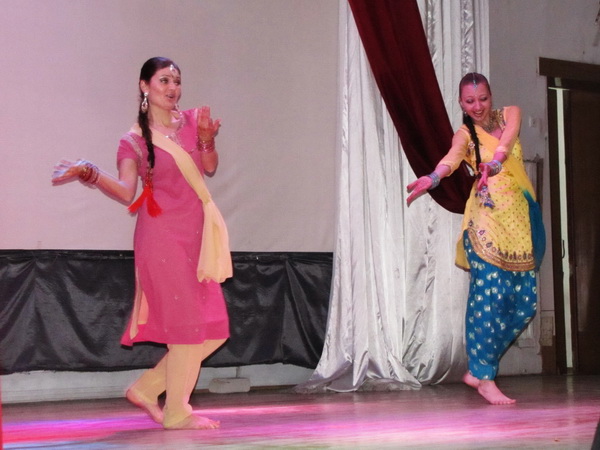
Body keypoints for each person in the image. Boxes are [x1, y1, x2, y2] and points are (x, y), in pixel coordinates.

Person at [52, 57, 232, 429]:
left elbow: (210, 166)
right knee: (186, 328)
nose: (173, 88)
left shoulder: (192, 121)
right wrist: (89, 171)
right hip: (162, 238)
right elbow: (125, 191)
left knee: (214, 330)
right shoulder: (133, 140)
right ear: (144, 86)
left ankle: (148, 389)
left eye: (177, 81)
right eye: (164, 80)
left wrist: (206, 139)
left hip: (198, 237)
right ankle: (177, 411)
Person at [406, 72, 541, 405]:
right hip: (485, 222)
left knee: (525, 304)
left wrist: (494, 163)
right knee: (487, 298)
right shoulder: (466, 134)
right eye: (470, 101)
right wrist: (433, 177)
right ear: (461, 103)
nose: (477, 106)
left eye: (482, 99)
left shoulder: (511, 114)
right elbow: (452, 158)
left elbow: (507, 141)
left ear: (491, 97)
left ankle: (480, 368)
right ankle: (485, 375)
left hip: (518, 222)